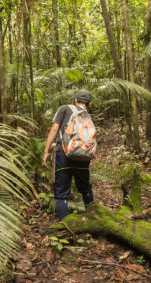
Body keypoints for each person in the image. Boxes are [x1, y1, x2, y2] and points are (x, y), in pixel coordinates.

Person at [42, 89, 95, 220]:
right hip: (83, 156)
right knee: (85, 188)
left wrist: (46, 151)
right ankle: (94, 218)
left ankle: (64, 224)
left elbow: (55, 129)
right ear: (90, 103)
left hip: (63, 154)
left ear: (75, 100)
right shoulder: (87, 116)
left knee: (61, 193)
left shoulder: (64, 109)